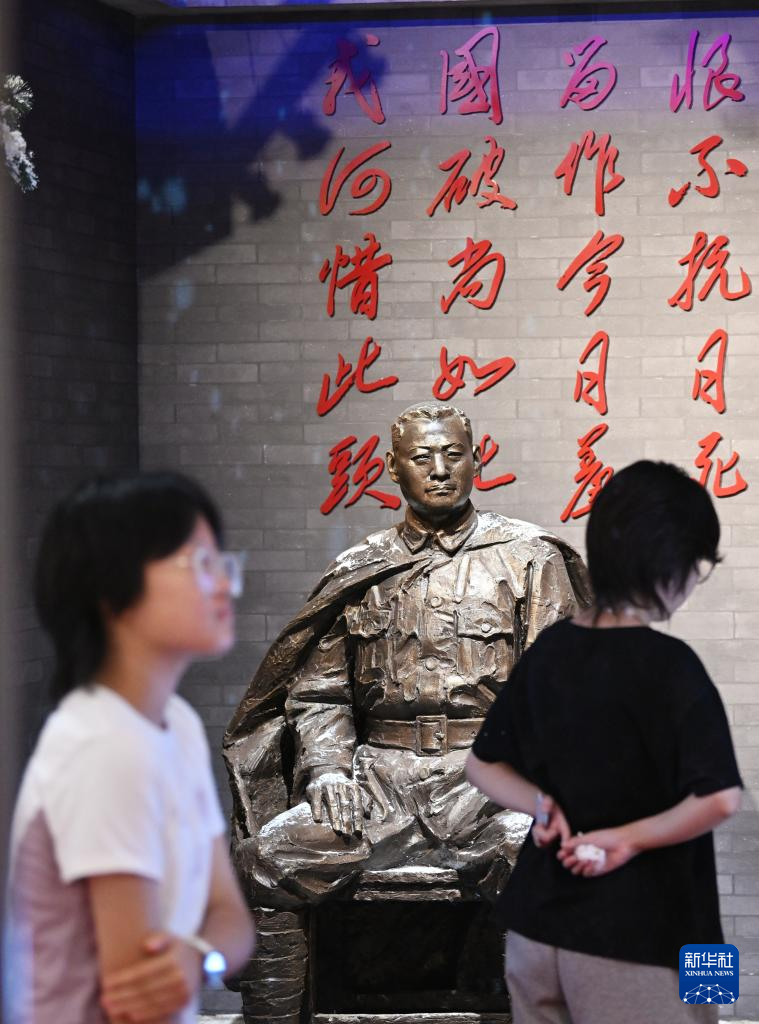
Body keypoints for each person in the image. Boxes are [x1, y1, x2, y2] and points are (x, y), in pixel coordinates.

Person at [225, 402, 591, 908]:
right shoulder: (362, 568)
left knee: (539, 856)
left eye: (453, 455)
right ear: (393, 467)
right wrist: (328, 769)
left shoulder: (530, 557)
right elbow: (320, 695)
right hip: (377, 788)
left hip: (487, 787)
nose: (440, 470)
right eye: (422, 457)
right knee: (267, 859)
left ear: (477, 460)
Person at [466, 460, 743, 1024]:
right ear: (669, 564)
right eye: (698, 566)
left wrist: (544, 806)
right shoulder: (671, 666)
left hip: (535, 928)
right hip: (642, 935)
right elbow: (720, 799)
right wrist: (622, 840)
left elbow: (481, 766)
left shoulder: (549, 653)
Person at [4, 472, 256, 1024]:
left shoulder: (175, 723)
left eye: (222, 562)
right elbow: (138, 1003)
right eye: (199, 563)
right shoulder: (105, 748)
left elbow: (232, 923)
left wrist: (199, 956)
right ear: (111, 592)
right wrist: (199, 958)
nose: (224, 585)